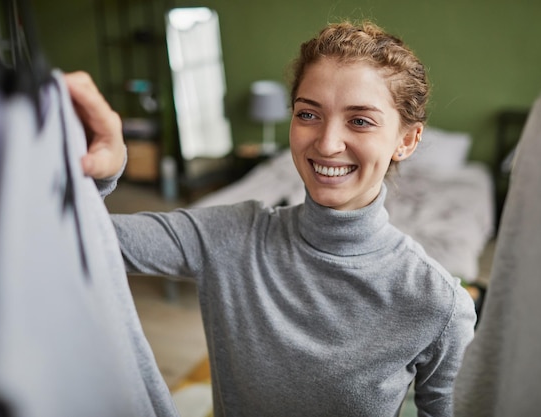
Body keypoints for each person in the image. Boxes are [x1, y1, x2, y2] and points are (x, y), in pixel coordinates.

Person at [66, 20, 476, 417]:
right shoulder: (227, 236)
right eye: (308, 114)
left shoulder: (437, 304)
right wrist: (103, 175)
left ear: (407, 140)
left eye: (360, 121)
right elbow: (74, 239)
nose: (328, 144)